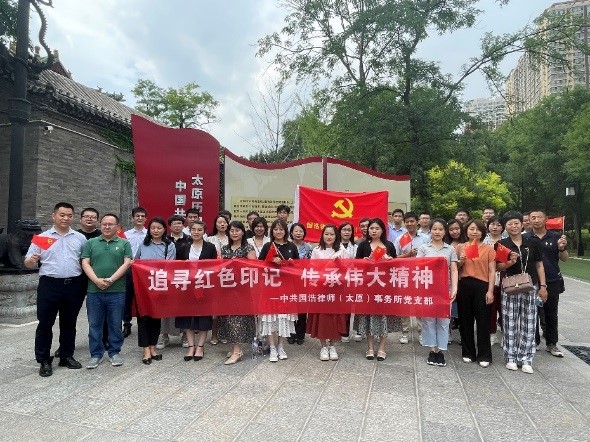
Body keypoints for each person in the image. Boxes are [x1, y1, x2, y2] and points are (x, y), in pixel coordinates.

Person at [24, 202, 87, 377]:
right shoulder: (42, 238)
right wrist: (31, 260)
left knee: (69, 323)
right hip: (49, 285)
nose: (66, 218)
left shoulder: (80, 238)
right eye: (62, 215)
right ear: (54, 216)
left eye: (69, 215)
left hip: (73, 285)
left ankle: (66, 356)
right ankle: (44, 360)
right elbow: (27, 262)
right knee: (45, 324)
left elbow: (86, 260)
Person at [497, 211, 547, 374]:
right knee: (509, 321)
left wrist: (543, 286)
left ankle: (526, 358)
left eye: (516, 223)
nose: (514, 226)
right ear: (505, 226)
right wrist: (510, 262)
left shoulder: (533, 242)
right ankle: (511, 357)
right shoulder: (502, 244)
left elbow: (539, 264)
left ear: (522, 224)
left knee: (529, 322)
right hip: (510, 286)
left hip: (530, 285)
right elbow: (498, 267)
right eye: (510, 224)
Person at [81, 213, 132, 369]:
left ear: (117, 227)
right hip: (94, 291)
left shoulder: (124, 243)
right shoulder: (91, 243)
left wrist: (110, 280)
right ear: (100, 225)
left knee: (115, 324)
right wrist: (96, 280)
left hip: (117, 291)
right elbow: (85, 263)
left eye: (110, 224)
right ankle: (96, 354)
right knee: (94, 324)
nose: (107, 227)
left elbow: (126, 263)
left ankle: (114, 352)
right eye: (104, 224)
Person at [526, 209, 568, 358]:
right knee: (532, 312)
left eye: (539, 217)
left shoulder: (555, 237)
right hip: (531, 281)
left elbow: (564, 258)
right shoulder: (525, 237)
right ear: (529, 220)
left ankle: (552, 343)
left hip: (552, 280)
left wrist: (562, 248)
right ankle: (534, 341)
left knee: (551, 313)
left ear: (545, 220)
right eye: (533, 217)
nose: (536, 220)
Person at [134, 217, 176, 364]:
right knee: (143, 319)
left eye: (159, 228)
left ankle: (153, 347)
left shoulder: (169, 245)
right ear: (149, 229)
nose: (156, 230)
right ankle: (145, 349)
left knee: (156, 319)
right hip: (143, 287)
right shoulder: (143, 244)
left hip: (159, 286)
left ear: (164, 229)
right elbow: (136, 262)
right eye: (153, 228)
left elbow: (170, 266)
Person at [417, 219, 458, 367]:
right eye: (434, 229)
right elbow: (417, 267)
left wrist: (455, 288)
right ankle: (432, 349)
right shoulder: (423, 248)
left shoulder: (450, 249)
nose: (437, 232)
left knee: (443, 320)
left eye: (440, 229)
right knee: (428, 320)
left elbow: (454, 269)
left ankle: (440, 351)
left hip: (445, 290)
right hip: (428, 289)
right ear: (430, 230)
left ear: (444, 232)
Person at [355, 218, 397, 361]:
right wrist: (364, 262)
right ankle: (370, 347)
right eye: (371, 228)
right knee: (369, 316)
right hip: (368, 286)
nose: (374, 231)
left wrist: (390, 260)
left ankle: (382, 348)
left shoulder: (389, 245)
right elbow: (356, 264)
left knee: (383, 317)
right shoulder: (363, 245)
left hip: (384, 287)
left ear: (382, 230)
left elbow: (396, 266)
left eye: (377, 228)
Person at [175, 221, 217, 361]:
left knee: (203, 316)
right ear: (190, 231)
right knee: (187, 316)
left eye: (199, 230)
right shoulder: (184, 247)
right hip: (187, 287)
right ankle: (191, 346)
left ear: (204, 232)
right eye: (193, 229)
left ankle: (200, 346)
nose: (196, 232)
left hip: (204, 286)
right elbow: (176, 267)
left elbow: (214, 267)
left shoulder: (210, 247)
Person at [456, 219, 496, 368]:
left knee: (483, 321)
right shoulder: (460, 247)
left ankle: (484, 355)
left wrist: (490, 291)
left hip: (482, 285)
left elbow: (492, 271)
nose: (474, 232)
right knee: (465, 320)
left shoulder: (489, 249)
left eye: (478, 229)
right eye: (471, 229)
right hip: (464, 285)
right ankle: (468, 352)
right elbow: (454, 269)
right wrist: (460, 261)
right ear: (466, 231)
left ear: (482, 232)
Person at [258, 219, 299, 362]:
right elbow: (260, 266)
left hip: (286, 287)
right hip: (270, 287)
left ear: (286, 231)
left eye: (281, 229)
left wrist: (291, 264)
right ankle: (272, 348)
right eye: (276, 229)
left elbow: (298, 266)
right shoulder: (268, 246)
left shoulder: (292, 246)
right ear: (272, 231)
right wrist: (271, 261)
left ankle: (281, 346)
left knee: (284, 317)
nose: (278, 232)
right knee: (270, 318)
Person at [306, 224, 348, 361]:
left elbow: (348, 269)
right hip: (321, 289)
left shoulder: (341, 250)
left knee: (335, 318)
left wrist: (339, 263)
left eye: (332, 234)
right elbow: (312, 269)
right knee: (322, 318)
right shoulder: (316, 250)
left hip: (336, 289)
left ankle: (333, 345)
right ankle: (323, 346)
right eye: (326, 234)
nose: (329, 237)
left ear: (336, 236)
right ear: (322, 235)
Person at [218, 221, 257, 365]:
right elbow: (219, 266)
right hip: (227, 288)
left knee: (238, 320)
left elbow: (254, 267)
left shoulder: (248, 248)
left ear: (243, 232)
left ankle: (237, 351)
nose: (234, 233)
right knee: (228, 319)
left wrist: (239, 264)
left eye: (237, 230)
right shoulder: (224, 248)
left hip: (242, 289)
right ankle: (235, 347)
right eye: (232, 230)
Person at [394, 211, 427, 344]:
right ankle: (405, 332)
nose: (409, 224)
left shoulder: (425, 238)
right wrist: (407, 255)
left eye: (412, 221)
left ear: (417, 222)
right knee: (404, 304)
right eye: (407, 222)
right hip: (404, 275)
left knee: (419, 304)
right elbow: (395, 257)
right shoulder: (400, 239)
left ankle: (421, 332)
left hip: (420, 275)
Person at [122, 207, 148, 339]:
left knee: (142, 298)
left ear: (146, 218)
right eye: (137, 216)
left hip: (144, 271)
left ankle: (144, 323)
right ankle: (127, 323)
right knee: (127, 297)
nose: (140, 218)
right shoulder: (125, 235)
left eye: (142, 216)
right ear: (132, 218)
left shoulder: (150, 234)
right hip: (128, 269)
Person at [288, 222, 312, 345]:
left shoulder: (308, 247)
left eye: (301, 231)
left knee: (302, 308)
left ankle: (300, 334)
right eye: (296, 231)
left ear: (304, 233)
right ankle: (291, 333)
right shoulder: (287, 245)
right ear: (291, 233)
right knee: (290, 307)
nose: (298, 233)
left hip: (303, 281)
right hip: (289, 281)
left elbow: (312, 263)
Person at [207, 214, 230, 345]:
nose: (222, 224)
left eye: (224, 222)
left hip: (228, 275)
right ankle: (214, 334)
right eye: (219, 222)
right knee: (215, 307)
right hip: (214, 276)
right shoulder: (209, 239)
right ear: (215, 224)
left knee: (226, 306)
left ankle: (225, 333)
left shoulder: (231, 238)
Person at [483, 215, 505, 346]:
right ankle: (491, 333)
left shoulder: (507, 242)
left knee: (504, 308)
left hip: (504, 279)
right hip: (486, 278)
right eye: (492, 224)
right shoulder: (482, 242)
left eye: (498, 225)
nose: (495, 227)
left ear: (503, 227)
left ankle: (506, 334)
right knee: (490, 308)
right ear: (488, 226)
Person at [338, 222, 357, 343]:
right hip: (336, 280)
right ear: (339, 231)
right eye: (344, 230)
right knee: (336, 306)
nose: (346, 232)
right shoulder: (335, 246)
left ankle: (345, 332)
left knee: (347, 307)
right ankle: (335, 331)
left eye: (349, 230)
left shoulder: (355, 247)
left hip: (350, 280)